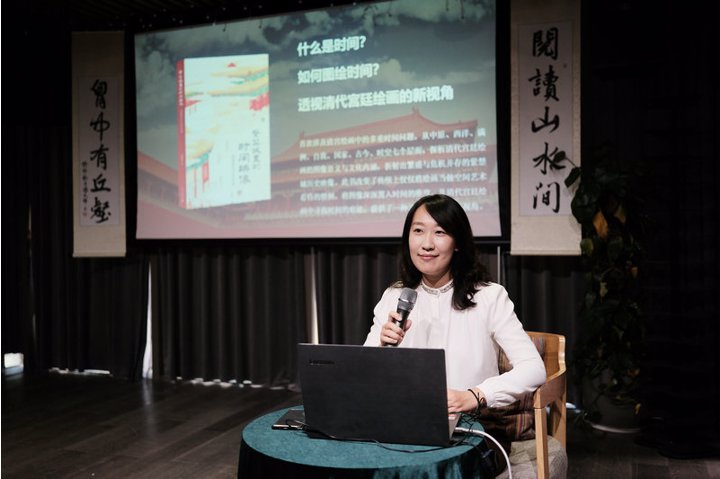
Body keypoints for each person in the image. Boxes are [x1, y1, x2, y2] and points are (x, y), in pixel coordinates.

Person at [364, 194, 546, 472]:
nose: (427, 243)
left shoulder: (489, 297)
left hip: (474, 429)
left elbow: (534, 369)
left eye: (440, 232)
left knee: (429, 470)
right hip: (406, 423)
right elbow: (363, 376)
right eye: (418, 231)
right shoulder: (395, 297)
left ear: (458, 242)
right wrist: (381, 345)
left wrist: (475, 395)